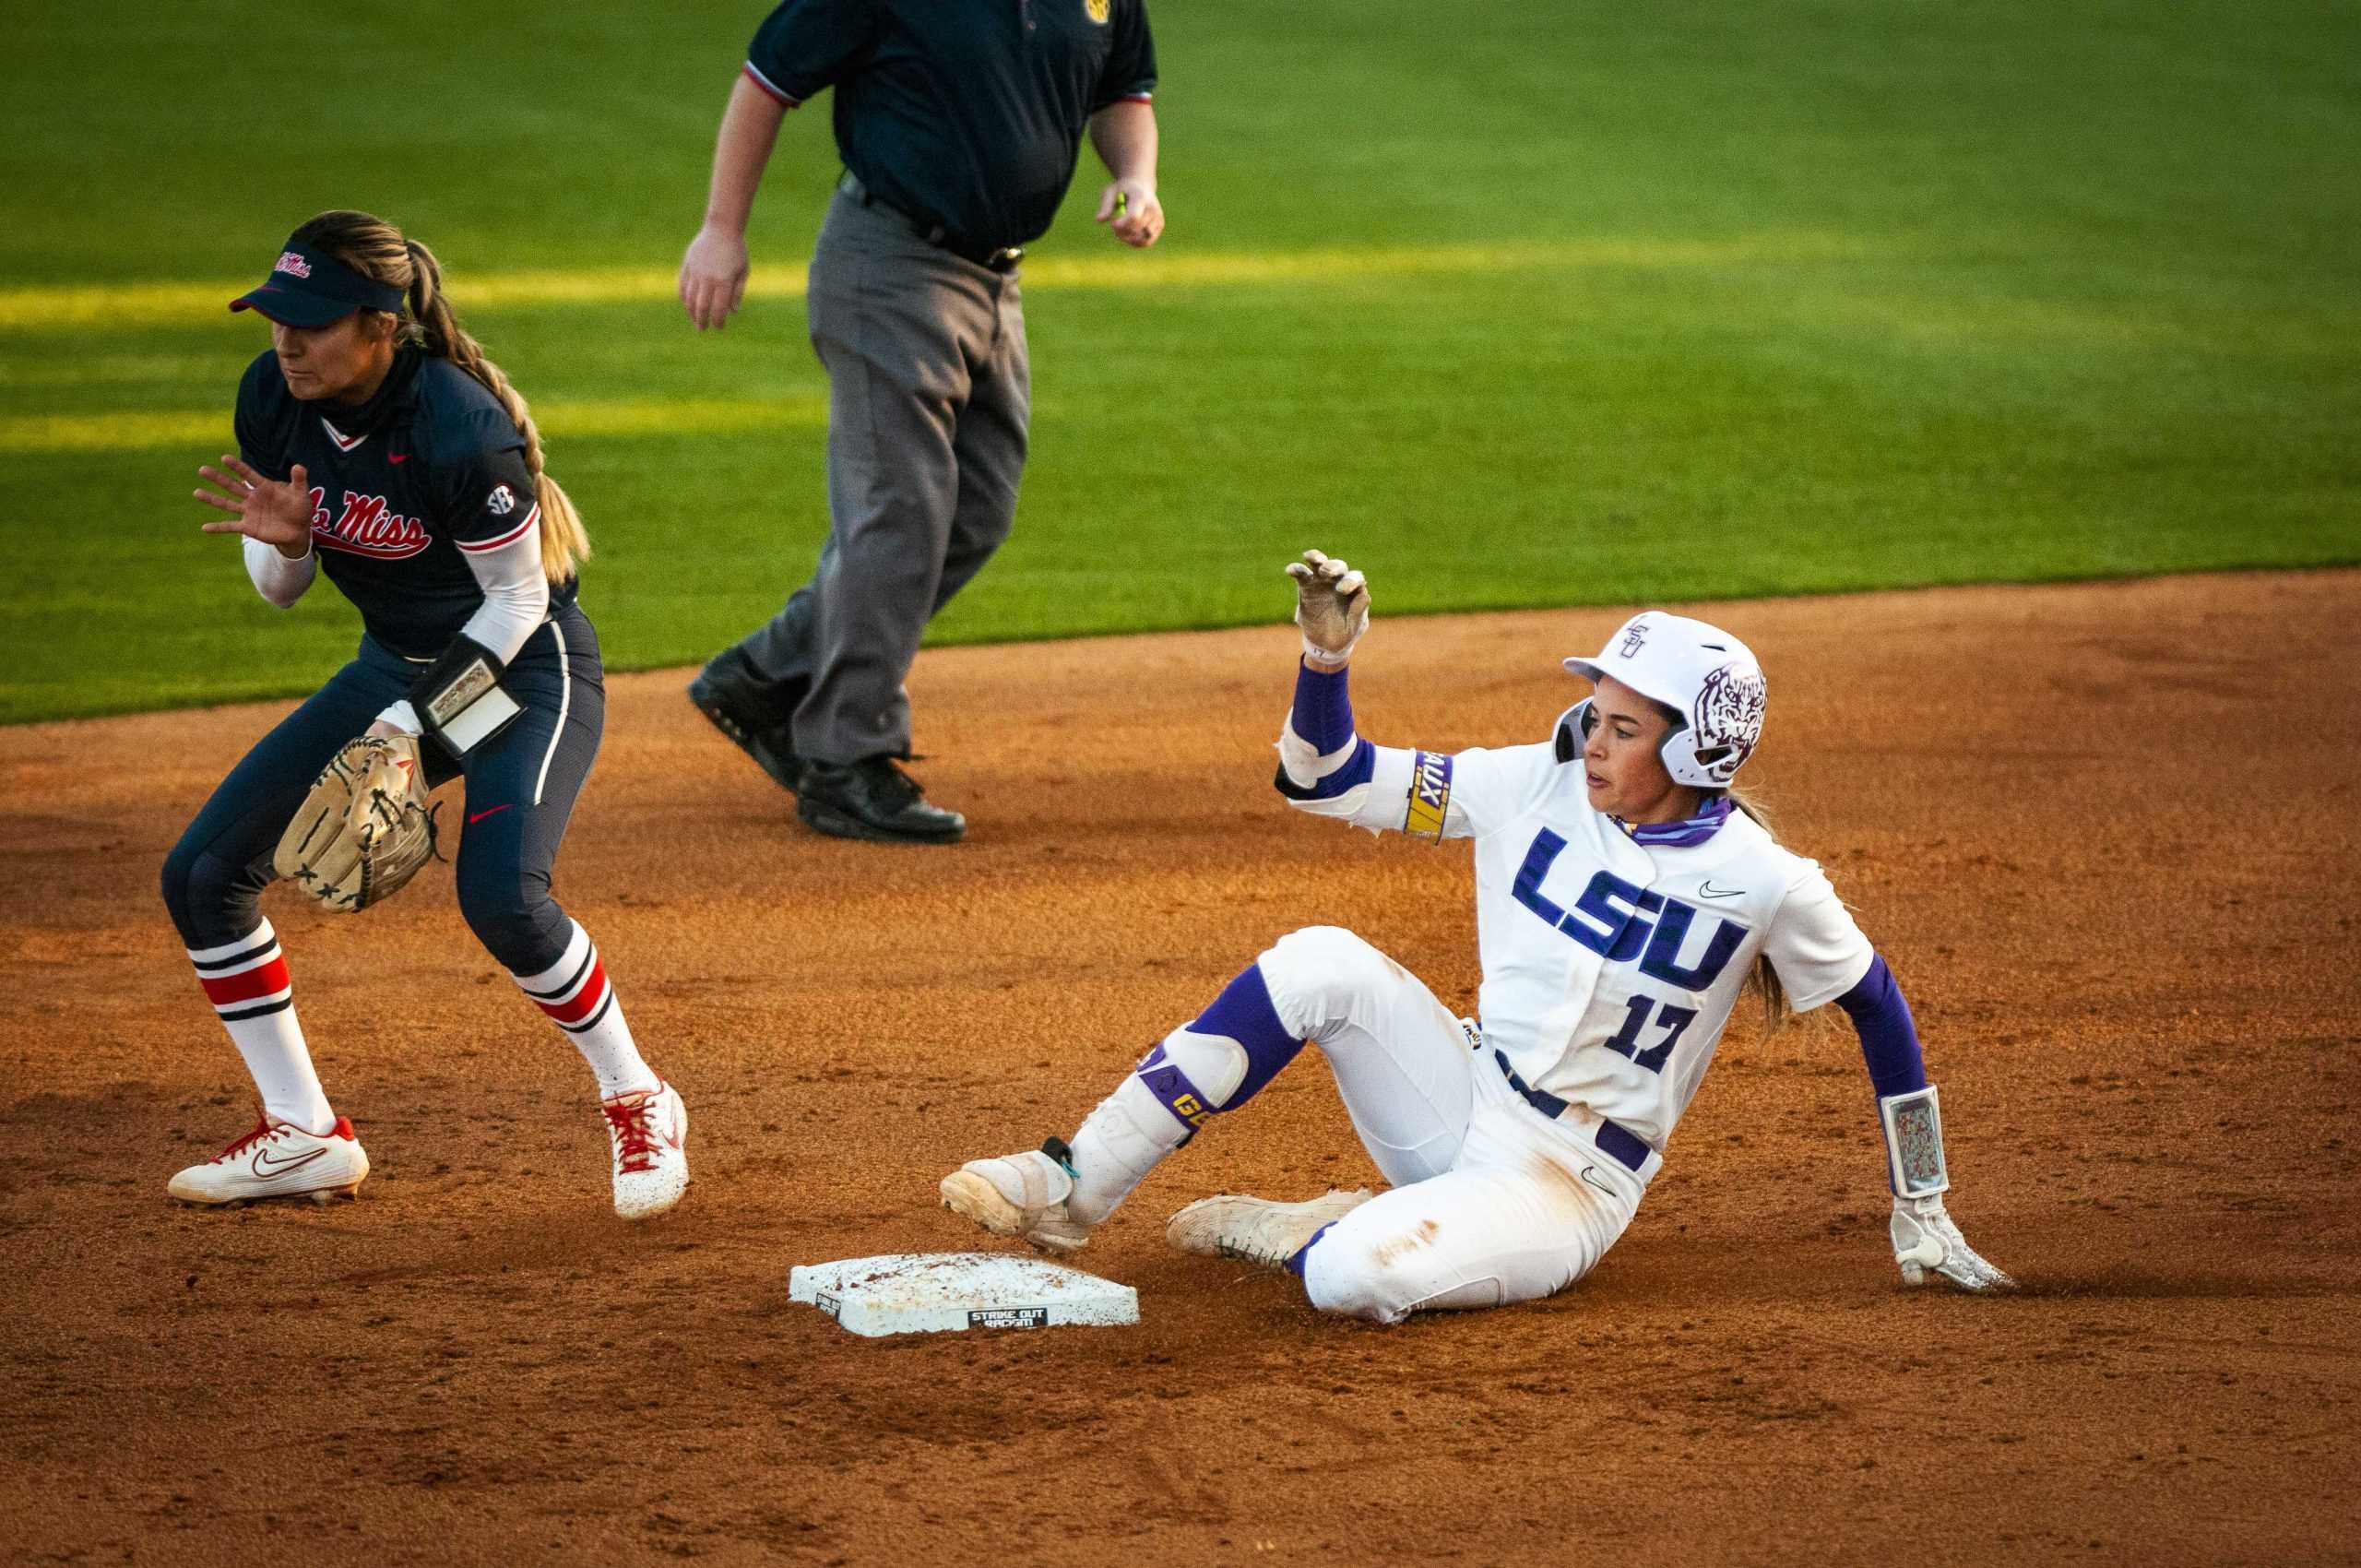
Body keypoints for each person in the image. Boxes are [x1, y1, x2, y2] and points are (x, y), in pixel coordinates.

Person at [942, 551, 2014, 1322]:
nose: (1593, 741)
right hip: (1464, 1091)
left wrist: (1921, 1201)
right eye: (1594, 711)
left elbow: (1881, 1008)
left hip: (1566, 1183)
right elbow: (1333, 781)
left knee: (1349, 1278)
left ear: (1697, 753)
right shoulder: (1534, 781)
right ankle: (1070, 1187)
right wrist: (1326, 665)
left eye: (1625, 726)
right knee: (1321, 957)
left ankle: (1324, 1227)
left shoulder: (1766, 884)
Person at [162, 211, 690, 1219]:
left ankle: (641, 1097)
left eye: (310, 324)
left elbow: (519, 601)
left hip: (524, 672)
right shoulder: (272, 398)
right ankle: (305, 1131)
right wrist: (291, 542)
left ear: (376, 326)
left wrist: (408, 723)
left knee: (503, 895)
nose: (285, 341)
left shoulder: (456, 423)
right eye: (276, 318)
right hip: (394, 668)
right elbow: (280, 588)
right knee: (201, 875)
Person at [677, 0, 1164, 844]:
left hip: (996, 283)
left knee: (975, 513)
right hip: (888, 264)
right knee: (900, 513)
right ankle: (844, 758)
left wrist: (1136, 176)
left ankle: (766, 674)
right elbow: (767, 81)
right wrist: (722, 231)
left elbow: (1122, 90)